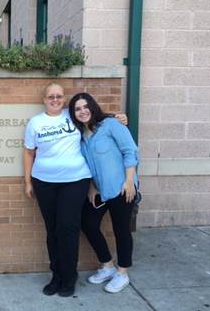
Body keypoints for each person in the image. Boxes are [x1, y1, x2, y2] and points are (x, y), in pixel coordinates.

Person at [24, 83, 92, 297]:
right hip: (44, 183)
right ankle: (57, 276)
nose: (55, 99)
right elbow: (28, 153)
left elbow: (96, 118)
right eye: (51, 96)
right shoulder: (35, 123)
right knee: (52, 230)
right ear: (44, 99)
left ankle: (69, 277)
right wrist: (27, 182)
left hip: (75, 181)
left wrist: (119, 118)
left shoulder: (72, 115)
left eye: (59, 96)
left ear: (64, 99)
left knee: (68, 228)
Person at [69, 92, 139, 293]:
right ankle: (107, 265)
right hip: (101, 190)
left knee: (121, 230)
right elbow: (89, 164)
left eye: (85, 107)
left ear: (92, 106)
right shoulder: (81, 136)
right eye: (77, 109)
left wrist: (128, 181)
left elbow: (130, 150)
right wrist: (92, 186)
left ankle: (122, 272)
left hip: (121, 187)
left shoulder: (111, 125)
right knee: (88, 223)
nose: (82, 111)